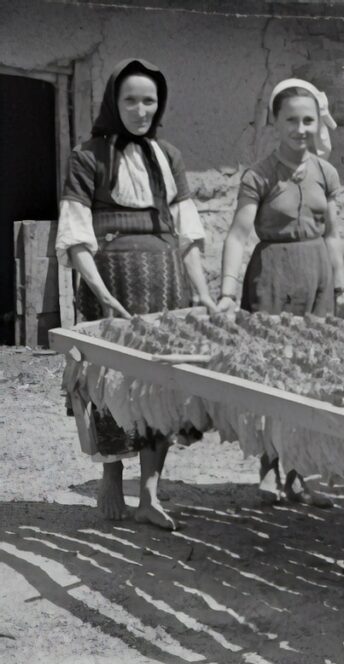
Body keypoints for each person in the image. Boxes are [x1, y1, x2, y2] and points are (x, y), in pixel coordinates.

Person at [57, 58, 218, 530]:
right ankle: (111, 473)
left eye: (149, 100)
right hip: (113, 284)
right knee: (109, 381)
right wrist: (102, 294)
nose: (140, 109)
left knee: (159, 386)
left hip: (166, 282)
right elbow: (76, 234)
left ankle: (150, 491)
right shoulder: (88, 156)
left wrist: (203, 295)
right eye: (130, 99)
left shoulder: (168, 156)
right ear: (113, 102)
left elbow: (188, 235)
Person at [218, 78, 344, 506]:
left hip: (316, 276)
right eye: (291, 120)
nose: (300, 129)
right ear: (275, 122)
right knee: (271, 373)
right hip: (272, 275)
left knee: (312, 374)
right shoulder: (259, 175)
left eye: (308, 120)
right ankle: (269, 468)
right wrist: (227, 291)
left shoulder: (325, 173)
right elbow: (239, 235)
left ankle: (301, 473)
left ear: (317, 124)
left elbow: (333, 235)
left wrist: (341, 288)